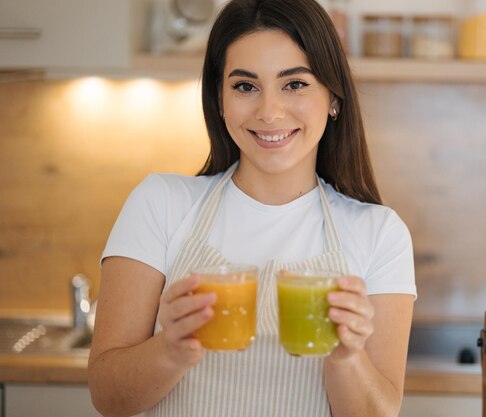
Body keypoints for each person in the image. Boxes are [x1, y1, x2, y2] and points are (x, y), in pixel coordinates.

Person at [88, 0, 416, 416]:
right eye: (245, 86)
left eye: (294, 84)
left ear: (333, 97)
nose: (269, 112)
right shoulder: (161, 204)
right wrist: (171, 349)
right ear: (219, 100)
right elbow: (107, 395)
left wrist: (347, 357)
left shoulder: (379, 233)